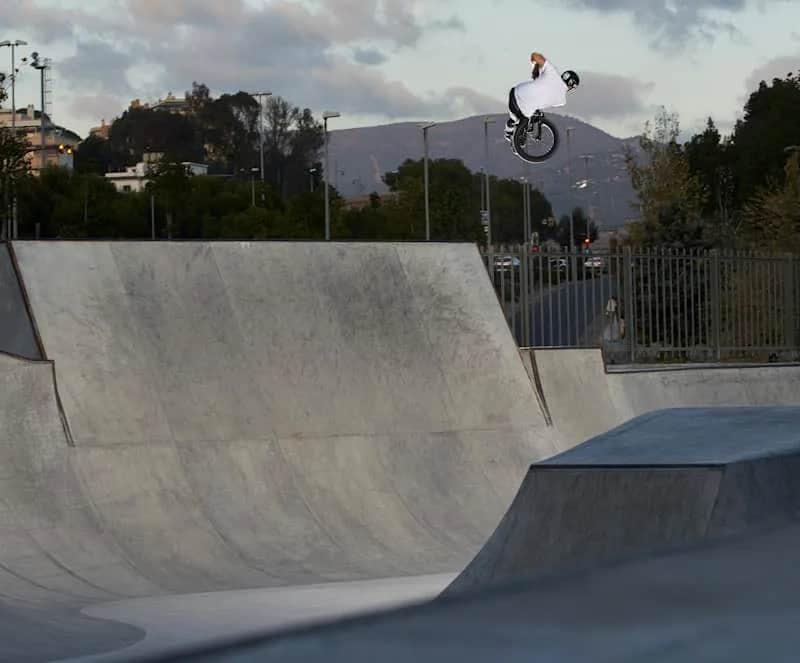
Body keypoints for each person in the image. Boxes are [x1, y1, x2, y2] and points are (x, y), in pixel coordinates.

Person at [505, 52, 580, 142]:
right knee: (523, 120)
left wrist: (535, 68)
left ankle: (510, 131)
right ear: (571, 86)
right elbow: (544, 98)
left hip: (514, 92)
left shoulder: (552, 72)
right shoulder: (562, 100)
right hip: (524, 107)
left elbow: (535, 56)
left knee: (517, 117)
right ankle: (514, 137)